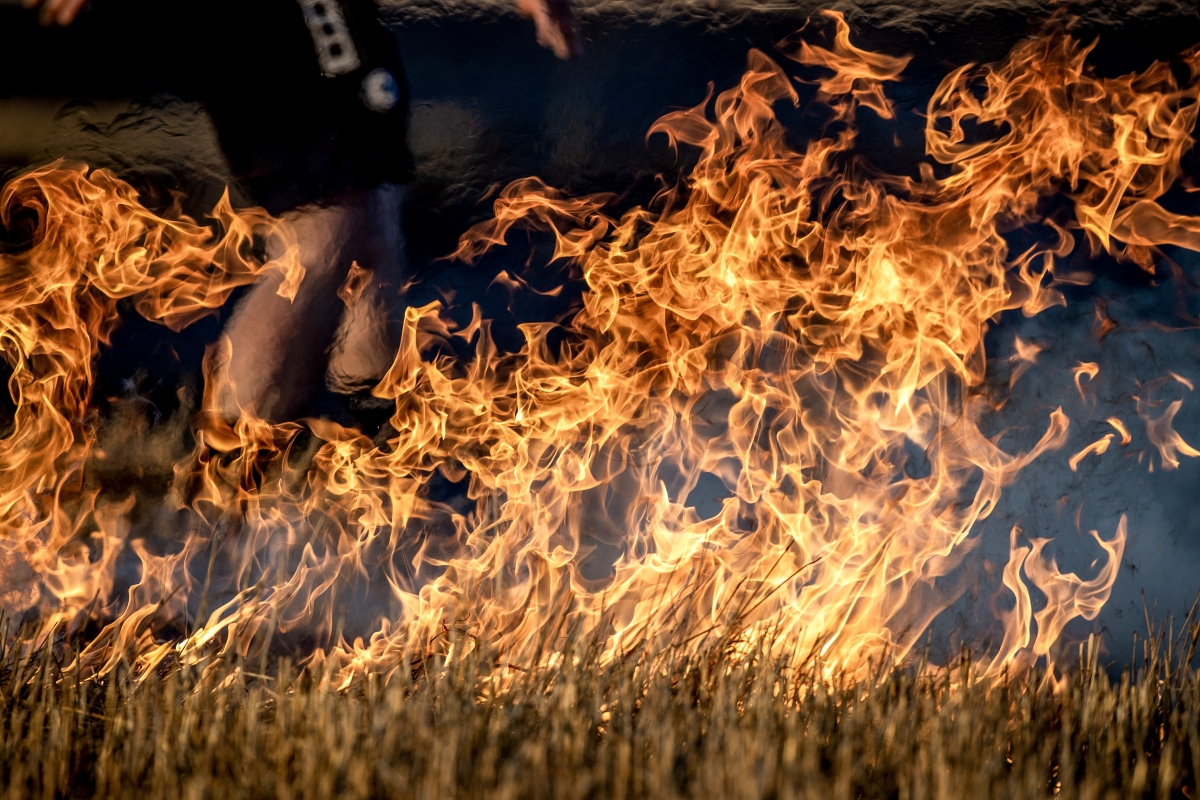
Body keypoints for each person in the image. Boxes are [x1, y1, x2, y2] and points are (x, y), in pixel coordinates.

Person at [14, 0, 579, 420]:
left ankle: (362, 445)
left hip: (325, 19)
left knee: (371, 218)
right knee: (328, 226)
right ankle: (234, 458)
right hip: (257, 22)